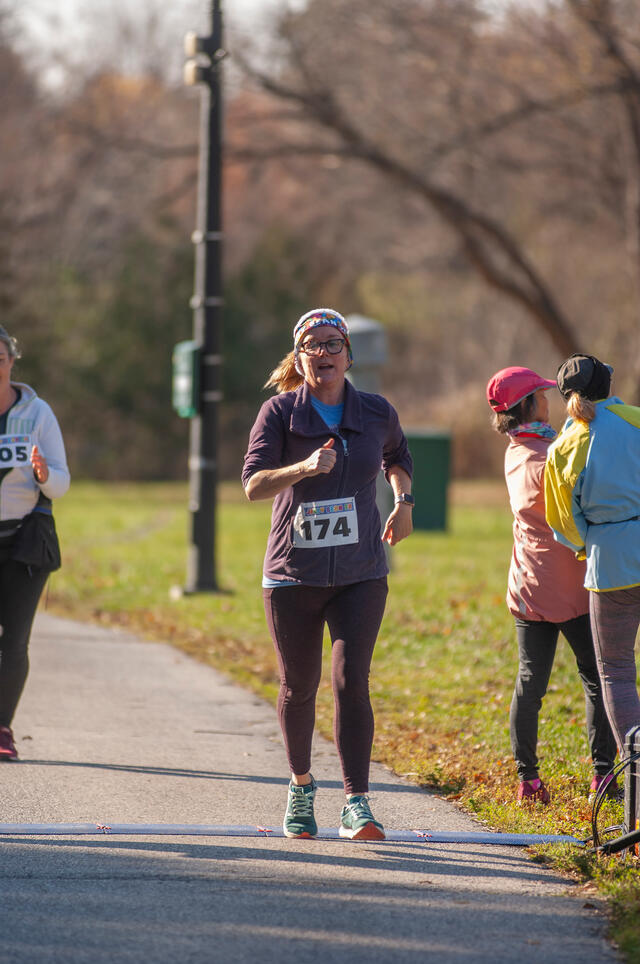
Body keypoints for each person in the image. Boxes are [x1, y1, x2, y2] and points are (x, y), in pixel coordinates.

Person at [242, 308, 413, 839]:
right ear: (300, 357)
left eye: (333, 343)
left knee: (349, 681)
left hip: (361, 572)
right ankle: (300, 787)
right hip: (294, 574)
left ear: (348, 354)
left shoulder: (376, 411)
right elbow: (252, 484)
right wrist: (301, 468)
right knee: (299, 686)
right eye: (312, 345)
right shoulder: (279, 413)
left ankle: (356, 803)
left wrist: (403, 499)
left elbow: (398, 454)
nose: (324, 353)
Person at [486, 366, 617, 804]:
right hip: (574, 590)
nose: (548, 399)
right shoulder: (550, 457)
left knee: (530, 683)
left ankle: (529, 779)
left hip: (529, 589)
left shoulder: (516, 452)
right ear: (528, 405)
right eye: (542, 394)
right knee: (598, 679)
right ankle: (603, 776)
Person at [545, 353, 640, 759]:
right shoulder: (636, 419)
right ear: (608, 386)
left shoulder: (563, 447)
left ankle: (636, 774)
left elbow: (563, 521)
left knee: (616, 672)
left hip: (610, 566)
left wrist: (592, 543)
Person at [0, 326, 70, 761]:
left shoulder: (37, 413)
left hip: (24, 543)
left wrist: (44, 474)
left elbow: (61, 483)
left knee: (14, 640)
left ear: (11, 361)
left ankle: (2, 727)